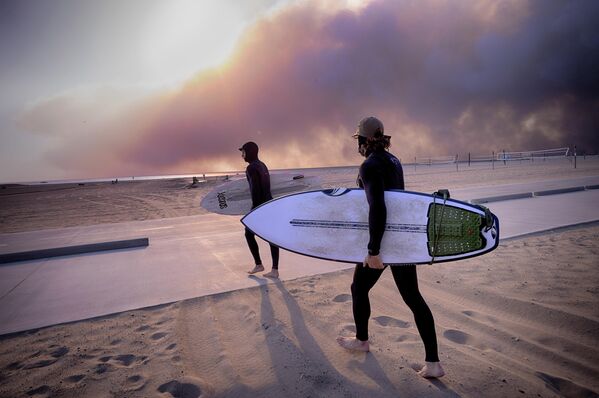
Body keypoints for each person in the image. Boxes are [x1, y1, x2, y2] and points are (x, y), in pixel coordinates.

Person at [336, 116, 445, 379]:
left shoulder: (369, 165)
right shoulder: (393, 160)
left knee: (359, 287)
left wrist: (374, 251)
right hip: (402, 241)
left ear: (363, 139)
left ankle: (362, 340)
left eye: (359, 140)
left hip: (385, 242)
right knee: (413, 298)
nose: (358, 145)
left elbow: (378, 206)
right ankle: (433, 363)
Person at [239, 141, 280, 278]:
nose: (242, 155)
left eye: (243, 152)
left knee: (248, 234)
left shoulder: (251, 168)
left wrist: (254, 210)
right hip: (269, 204)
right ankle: (274, 269)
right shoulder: (262, 165)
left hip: (260, 207)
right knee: (271, 237)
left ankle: (259, 264)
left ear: (249, 152)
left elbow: (256, 190)